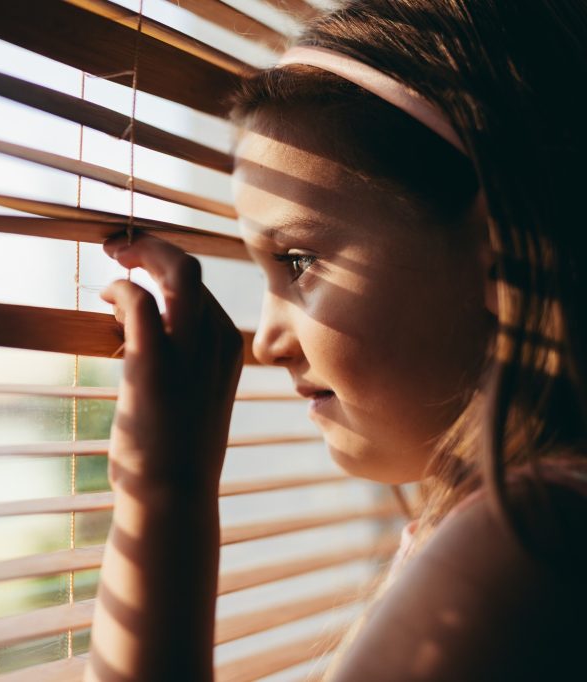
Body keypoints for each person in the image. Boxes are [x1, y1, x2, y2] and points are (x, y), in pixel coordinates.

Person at [83, 1, 587, 680]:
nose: (264, 342)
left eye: (296, 261)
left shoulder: (528, 541)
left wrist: (164, 494)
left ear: (495, 244)